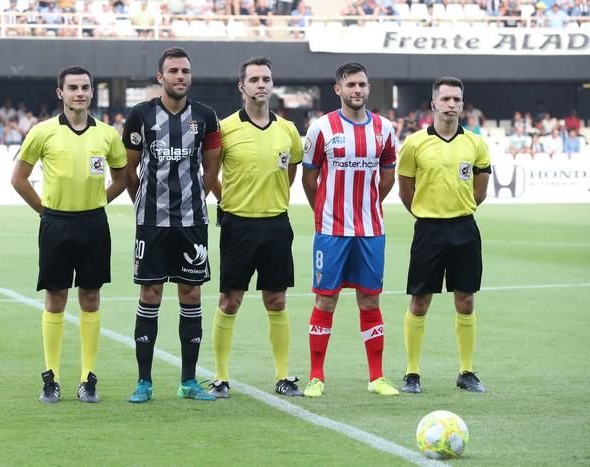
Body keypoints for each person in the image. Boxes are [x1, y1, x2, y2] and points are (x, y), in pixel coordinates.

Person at [11, 66, 127, 404]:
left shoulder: (107, 134)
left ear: (92, 92)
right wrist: (43, 211)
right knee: (55, 298)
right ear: (59, 92)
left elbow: (121, 178)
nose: (80, 92)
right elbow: (18, 178)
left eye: (85, 87)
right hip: (56, 224)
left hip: (93, 225)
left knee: (90, 299)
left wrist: (96, 202)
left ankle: (88, 378)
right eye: (73, 87)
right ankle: (51, 377)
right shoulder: (42, 132)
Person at [122, 47, 221, 403]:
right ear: (160, 77)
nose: (181, 76)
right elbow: (129, 170)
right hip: (151, 222)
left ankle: (189, 381)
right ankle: (144, 382)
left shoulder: (206, 117)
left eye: (185, 71)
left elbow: (211, 170)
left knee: (191, 294)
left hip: (192, 221)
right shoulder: (141, 115)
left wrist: (194, 200)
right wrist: (143, 205)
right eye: (174, 71)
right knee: (150, 294)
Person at [207, 57, 304, 399]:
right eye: (254, 79)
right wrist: (229, 201)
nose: (261, 84)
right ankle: (220, 376)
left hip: (276, 224)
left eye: (266, 79)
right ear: (242, 86)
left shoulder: (288, 130)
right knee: (230, 300)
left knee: (276, 300)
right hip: (238, 225)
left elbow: (290, 172)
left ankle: (283, 375)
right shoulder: (225, 128)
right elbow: (211, 175)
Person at [300, 63, 399, 398]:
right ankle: (316, 377)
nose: (358, 90)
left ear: (368, 89)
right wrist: (327, 210)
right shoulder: (321, 128)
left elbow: (387, 178)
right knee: (325, 300)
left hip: (371, 229)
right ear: (338, 89)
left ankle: (377, 377)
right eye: (351, 85)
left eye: (363, 85)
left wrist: (367, 206)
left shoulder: (385, 129)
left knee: (370, 299)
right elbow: (309, 179)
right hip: (330, 230)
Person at [396, 76, 491, 394]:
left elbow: (480, 191)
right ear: (434, 103)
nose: (451, 104)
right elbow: (405, 191)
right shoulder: (414, 143)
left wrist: (458, 211)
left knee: (465, 300)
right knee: (420, 301)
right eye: (446, 99)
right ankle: (412, 372)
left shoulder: (475, 143)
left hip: (464, 229)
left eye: (457, 100)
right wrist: (427, 214)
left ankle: (466, 371)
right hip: (428, 230)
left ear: (463, 105)